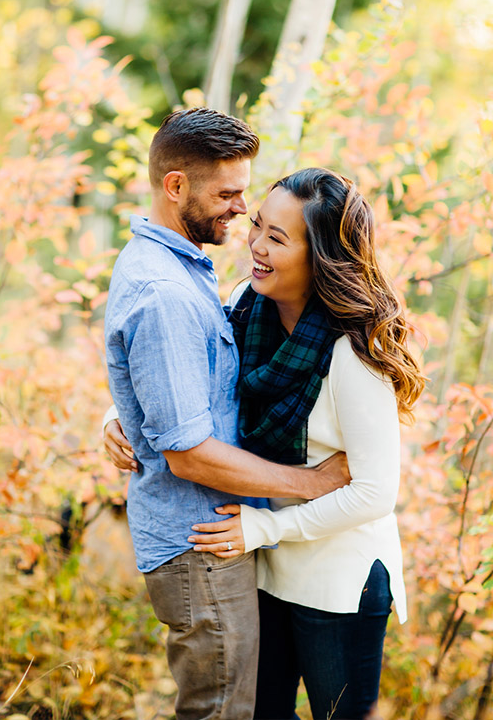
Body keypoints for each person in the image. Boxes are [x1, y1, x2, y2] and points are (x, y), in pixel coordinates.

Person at [106, 168, 425, 719]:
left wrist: (267, 526)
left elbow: (374, 493)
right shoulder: (245, 307)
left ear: (321, 256)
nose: (255, 245)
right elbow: (179, 372)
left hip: (336, 579)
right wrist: (118, 412)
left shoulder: (354, 349)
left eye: (277, 238)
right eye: (257, 226)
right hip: (265, 565)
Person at [103, 108, 351, 720]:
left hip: (217, 537)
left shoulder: (181, 269)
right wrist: (314, 483)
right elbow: (188, 453)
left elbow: (184, 387)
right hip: (201, 542)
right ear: (176, 186)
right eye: (229, 193)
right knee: (221, 712)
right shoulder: (164, 291)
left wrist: (117, 414)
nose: (240, 208)